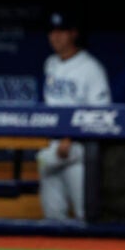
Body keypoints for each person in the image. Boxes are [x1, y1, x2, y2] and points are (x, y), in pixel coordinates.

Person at [37, 11, 111, 221]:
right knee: (52, 218)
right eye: (52, 32)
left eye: (61, 32)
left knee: (85, 215)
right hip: (53, 148)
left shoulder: (91, 68)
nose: (55, 37)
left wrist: (71, 137)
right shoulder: (50, 63)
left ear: (73, 34)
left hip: (79, 150)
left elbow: (101, 114)